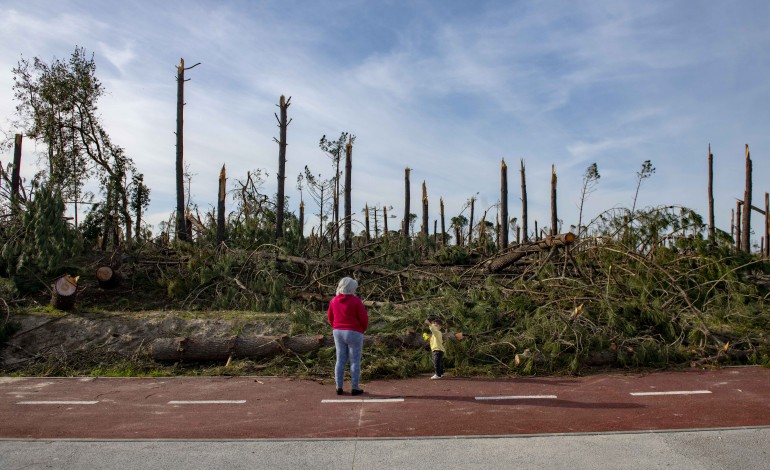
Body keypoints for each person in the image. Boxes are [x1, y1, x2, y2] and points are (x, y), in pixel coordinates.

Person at [327, 277, 369, 395]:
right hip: (354, 331)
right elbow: (363, 317)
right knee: (355, 360)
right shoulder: (356, 301)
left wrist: (335, 327)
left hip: (338, 331)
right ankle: (355, 387)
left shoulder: (334, 301)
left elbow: (330, 317)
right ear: (352, 288)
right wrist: (363, 329)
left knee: (340, 359)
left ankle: (338, 386)